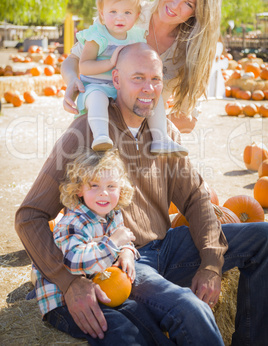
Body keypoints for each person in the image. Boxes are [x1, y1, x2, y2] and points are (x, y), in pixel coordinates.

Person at [16, 43, 268, 345]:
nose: (149, 88)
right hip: (124, 259)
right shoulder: (86, 132)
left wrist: (212, 263)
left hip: (167, 247)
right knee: (190, 310)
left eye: (155, 79)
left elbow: (196, 197)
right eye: (138, 78)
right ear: (116, 80)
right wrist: (67, 281)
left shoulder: (165, 133)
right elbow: (29, 216)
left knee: (263, 238)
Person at [61, 0, 221, 133]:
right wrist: (71, 80)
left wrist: (141, 131)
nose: (175, 5)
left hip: (144, 142)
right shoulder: (127, 12)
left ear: (197, 12)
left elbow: (188, 119)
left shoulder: (191, 51)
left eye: (188, 4)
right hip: (97, 127)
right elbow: (73, 59)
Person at [33, 149, 166, 345]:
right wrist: (113, 243)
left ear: (121, 189)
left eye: (111, 186)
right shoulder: (73, 222)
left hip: (98, 288)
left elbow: (123, 238)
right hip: (64, 301)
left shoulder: (113, 213)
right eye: (94, 185)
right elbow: (75, 261)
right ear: (79, 189)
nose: (104, 192)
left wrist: (127, 251)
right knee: (119, 328)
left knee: (143, 315)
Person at [75, 0, 187, 155]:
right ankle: (101, 135)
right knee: (98, 99)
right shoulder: (98, 36)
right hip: (96, 87)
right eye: (113, 12)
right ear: (102, 14)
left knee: (152, 98)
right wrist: (110, 62)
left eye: (127, 13)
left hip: (122, 90)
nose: (120, 18)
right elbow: (84, 67)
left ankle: (161, 139)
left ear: (136, 16)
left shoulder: (136, 36)